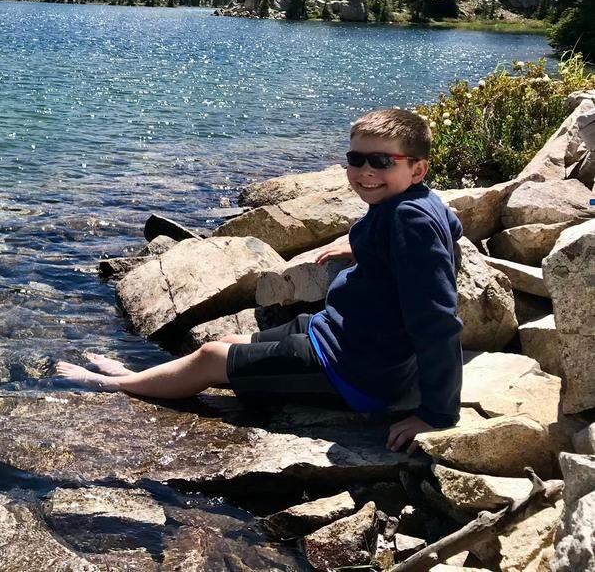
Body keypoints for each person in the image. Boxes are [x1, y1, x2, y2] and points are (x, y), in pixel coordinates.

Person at [55, 108, 464, 452]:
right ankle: (143, 379)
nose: (365, 171)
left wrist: (436, 414)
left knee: (212, 357)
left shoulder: (411, 220)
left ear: (417, 168)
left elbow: (438, 321)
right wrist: (359, 247)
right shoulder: (414, 204)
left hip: (355, 372)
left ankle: (117, 384)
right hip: (338, 333)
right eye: (355, 159)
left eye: (381, 161)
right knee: (234, 342)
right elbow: (452, 230)